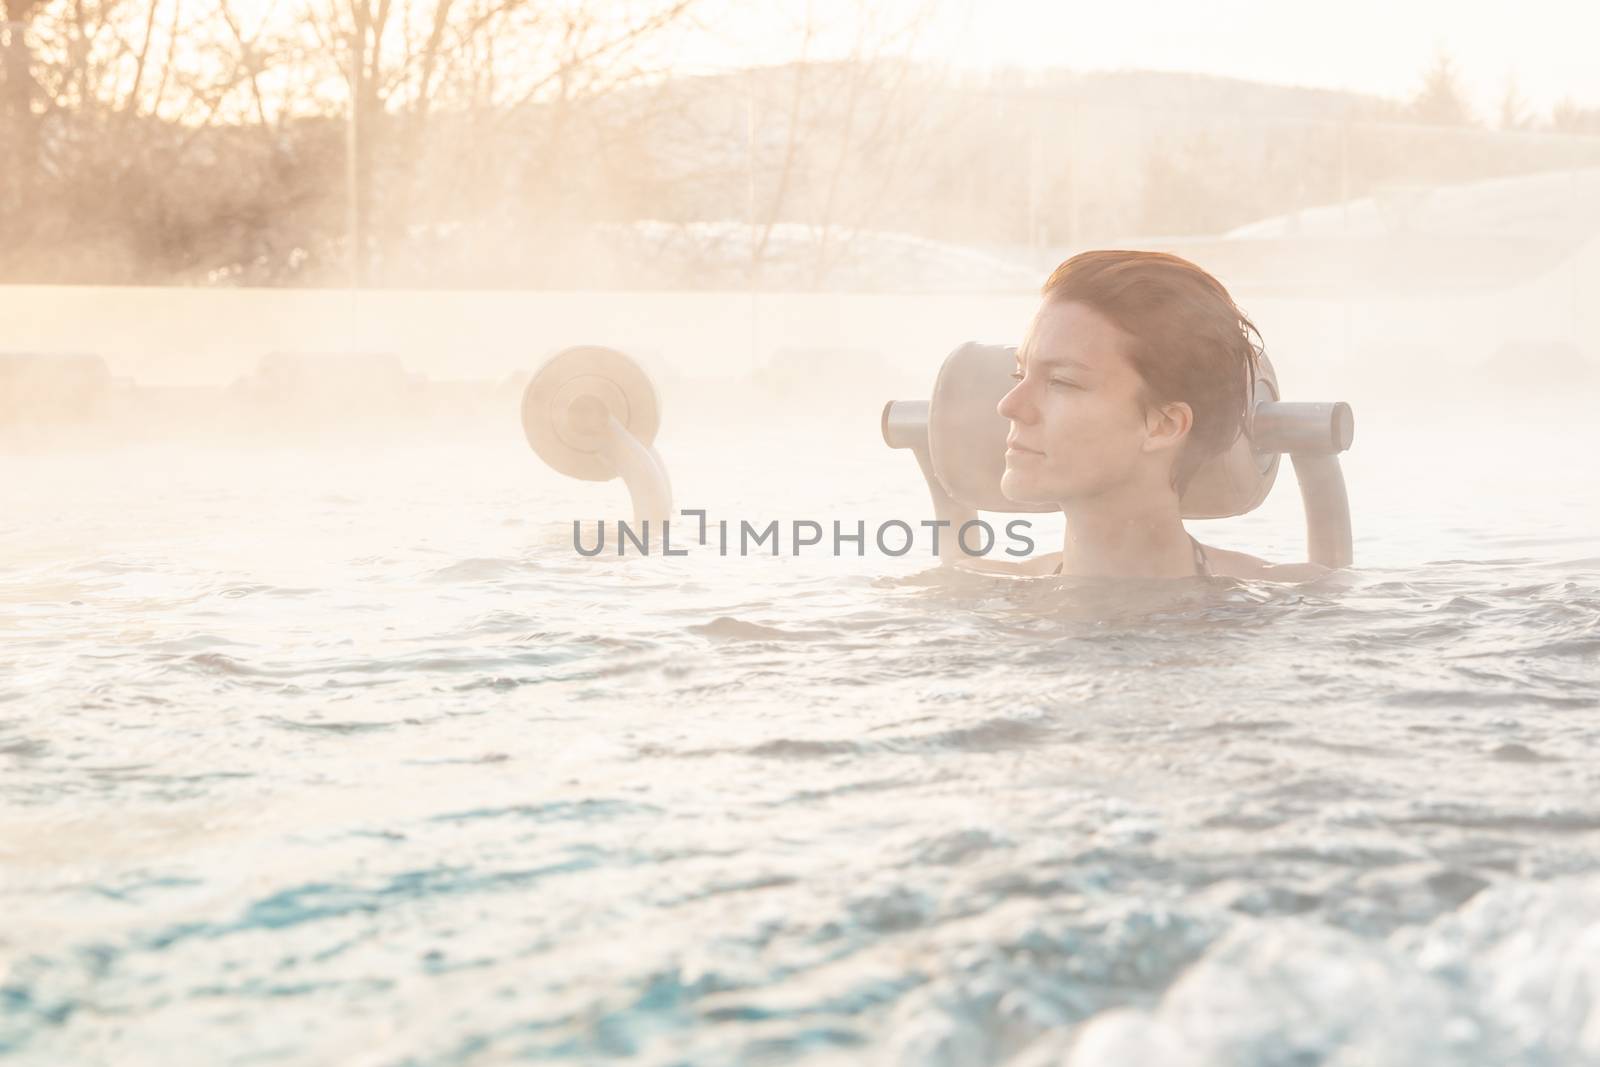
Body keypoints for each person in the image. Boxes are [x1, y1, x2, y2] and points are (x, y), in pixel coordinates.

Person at [981, 250, 1329, 581]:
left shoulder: (1285, 603)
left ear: (1164, 425)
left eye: (1061, 382)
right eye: (1019, 375)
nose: (1009, 406)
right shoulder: (970, 595)